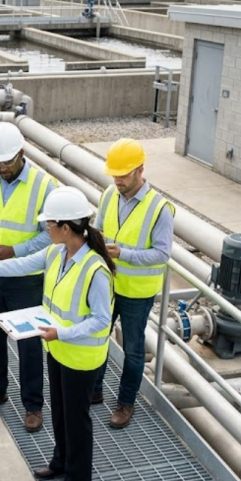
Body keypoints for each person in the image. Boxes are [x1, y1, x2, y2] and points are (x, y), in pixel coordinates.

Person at [0, 187, 115, 481]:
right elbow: (21, 264)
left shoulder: (96, 269)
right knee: (60, 413)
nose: (46, 228)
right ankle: (60, 462)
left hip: (81, 357)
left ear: (66, 228)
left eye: (49, 223)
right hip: (58, 350)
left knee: (77, 421)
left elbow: (102, 320)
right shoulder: (56, 252)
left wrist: (61, 333)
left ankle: (78, 477)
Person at [0, 121, 56, 432]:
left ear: (21, 153)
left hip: (26, 278)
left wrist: (15, 251)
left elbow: (51, 234)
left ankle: (33, 405)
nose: (2, 168)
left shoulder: (44, 186)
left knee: (29, 343)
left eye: (7, 162)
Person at [93, 138, 175, 429]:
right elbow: (99, 230)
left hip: (137, 294)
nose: (117, 180)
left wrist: (123, 254)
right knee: (97, 337)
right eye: (114, 174)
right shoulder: (109, 195)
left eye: (123, 175)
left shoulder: (159, 209)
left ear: (140, 170)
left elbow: (162, 254)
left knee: (134, 349)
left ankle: (126, 403)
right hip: (107, 285)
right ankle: (95, 389)